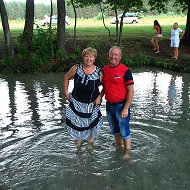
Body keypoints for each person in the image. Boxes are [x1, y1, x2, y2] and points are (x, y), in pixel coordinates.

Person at [97, 46, 134, 160]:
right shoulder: (104, 70)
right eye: (111, 54)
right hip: (109, 105)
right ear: (109, 55)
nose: (113, 56)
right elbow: (105, 86)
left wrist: (126, 108)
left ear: (120, 57)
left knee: (124, 130)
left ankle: (127, 152)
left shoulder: (125, 70)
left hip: (121, 105)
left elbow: (131, 90)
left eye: (116, 54)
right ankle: (118, 146)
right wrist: (100, 96)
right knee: (115, 130)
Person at [64, 47, 103, 149]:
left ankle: (90, 145)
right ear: (83, 57)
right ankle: (78, 145)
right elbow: (66, 77)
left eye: (91, 57)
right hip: (76, 103)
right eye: (86, 56)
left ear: (94, 58)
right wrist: (66, 93)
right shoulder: (76, 68)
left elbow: (106, 86)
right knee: (78, 125)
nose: (88, 59)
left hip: (91, 105)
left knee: (91, 125)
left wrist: (100, 96)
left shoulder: (99, 72)